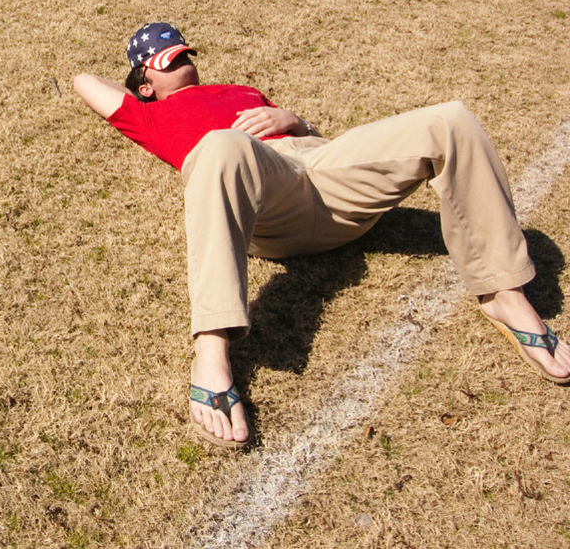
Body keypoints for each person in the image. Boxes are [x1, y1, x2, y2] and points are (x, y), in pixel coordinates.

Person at [72, 22, 570, 448]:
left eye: (183, 51)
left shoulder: (243, 92)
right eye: (167, 59)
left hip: (323, 171)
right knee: (221, 144)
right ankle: (212, 349)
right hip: (269, 197)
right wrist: (139, 83)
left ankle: (504, 290)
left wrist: (295, 119)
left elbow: (322, 144)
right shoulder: (148, 114)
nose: (182, 60)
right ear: (143, 83)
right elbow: (83, 80)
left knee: (451, 119)